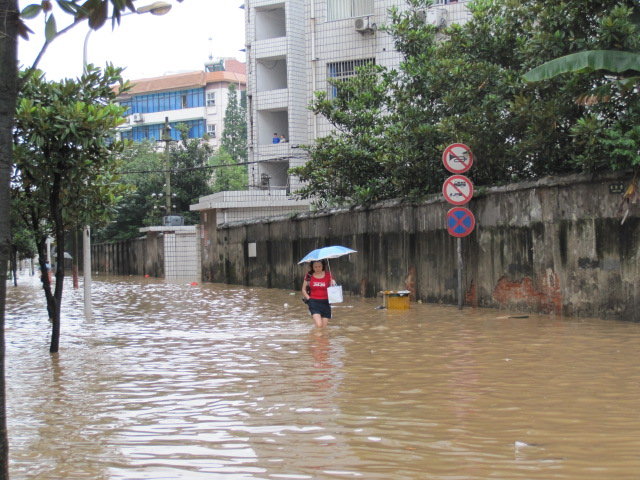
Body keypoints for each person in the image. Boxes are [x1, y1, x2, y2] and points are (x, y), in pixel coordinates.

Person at [301, 260, 336, 328]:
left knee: (323, 327)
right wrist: (309, 299)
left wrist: (333, 283)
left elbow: (333, 289)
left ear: (323, 266)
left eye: (319, 266)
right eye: (315, 267)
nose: (318, 268)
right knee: (319, 325)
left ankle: (316, 337)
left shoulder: (329, 275)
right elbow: (303, 289)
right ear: (312, 267)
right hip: (314, 302)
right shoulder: (309, 276)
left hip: (326, 303)